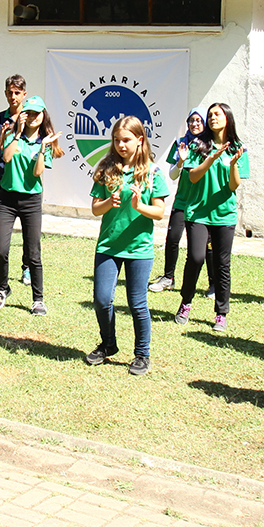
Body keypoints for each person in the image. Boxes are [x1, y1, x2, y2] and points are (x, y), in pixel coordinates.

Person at [85, 117, 169, 375]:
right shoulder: (106, 169)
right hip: (108, 247)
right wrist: (109, 202)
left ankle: (142, 355)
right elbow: (95, 209)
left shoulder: (153, 172)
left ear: (140, 140)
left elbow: (159, 212)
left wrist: (139, 206)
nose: (121, 145)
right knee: (101, 300)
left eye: (126, 140)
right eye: (116, 140)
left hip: (138, 250)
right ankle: (108, 344)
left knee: (137, 303)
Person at [175, 102, 248, 332]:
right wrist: (212, 157)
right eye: (210, 115)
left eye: (217, 114)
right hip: (198, 212)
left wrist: (233, 164)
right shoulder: (198, 144)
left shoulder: (238, 147)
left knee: (221, 263)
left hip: (224, 214)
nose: (212, 117)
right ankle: (185, 303)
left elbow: (234, 184)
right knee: (196, 258)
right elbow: (194, 177)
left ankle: (221, 313)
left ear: (228, 117)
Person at [0, 94, 62, 315]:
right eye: (28, 113)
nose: (32, 117)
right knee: (1, 249)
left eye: (36, 113)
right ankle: (3, 289)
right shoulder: (13, 135)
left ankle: (38, 299)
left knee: (33, 252)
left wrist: (42, 148)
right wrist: (17, 134)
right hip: (6, 198)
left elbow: (37, 172)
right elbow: (7, 158)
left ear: (43, 116)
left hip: (31, 200)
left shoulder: (46, 141)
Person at [149, 108, 212, 293]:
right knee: (173, 239)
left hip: (203, 204)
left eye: (198, 120)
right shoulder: (180, 143)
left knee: (206, 245)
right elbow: (173, 174)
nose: (194, 124)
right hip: (182, 201)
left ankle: (213, 284)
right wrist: (181, 162)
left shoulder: (211, 145)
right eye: (191, 120)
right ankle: (168, 278)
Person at [0, 74, 31, 285]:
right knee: (3, 234)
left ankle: (27, 267)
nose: (13, 97)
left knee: (30, 234)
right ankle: (0, 270)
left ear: (24, 94)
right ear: (5, 94)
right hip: (3, 180)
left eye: (17, 93)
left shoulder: (32, 117)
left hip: (25, 180)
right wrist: (3, 136)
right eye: (9, 93)